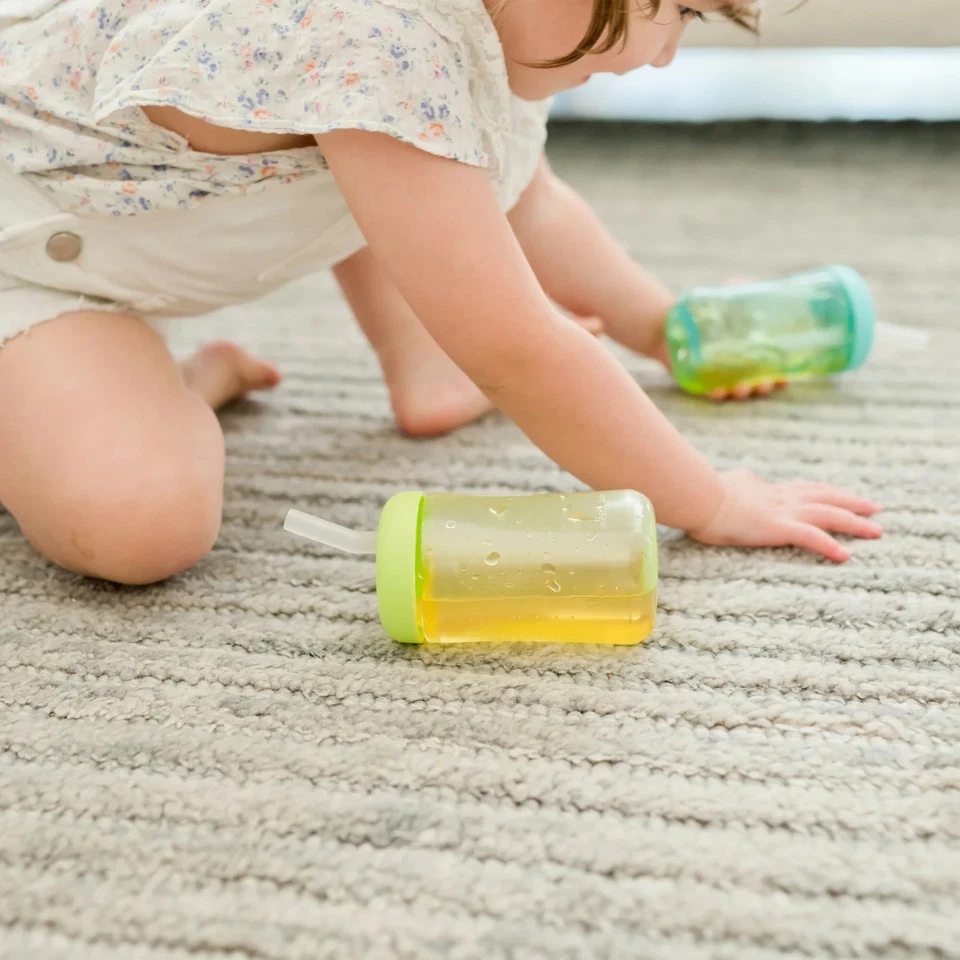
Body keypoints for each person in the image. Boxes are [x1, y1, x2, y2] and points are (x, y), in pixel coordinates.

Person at [0, 0, 882, 585]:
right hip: (22, 257)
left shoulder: (486, 28)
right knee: (138, 521)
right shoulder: (381, 38)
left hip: (114, 249)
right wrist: (711, 500)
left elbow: (529, 203)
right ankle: (157, 389)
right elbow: (516, 348)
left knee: (435, 200)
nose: (665, 57)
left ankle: (420, 368)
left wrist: (657, 325)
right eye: (676, 11)